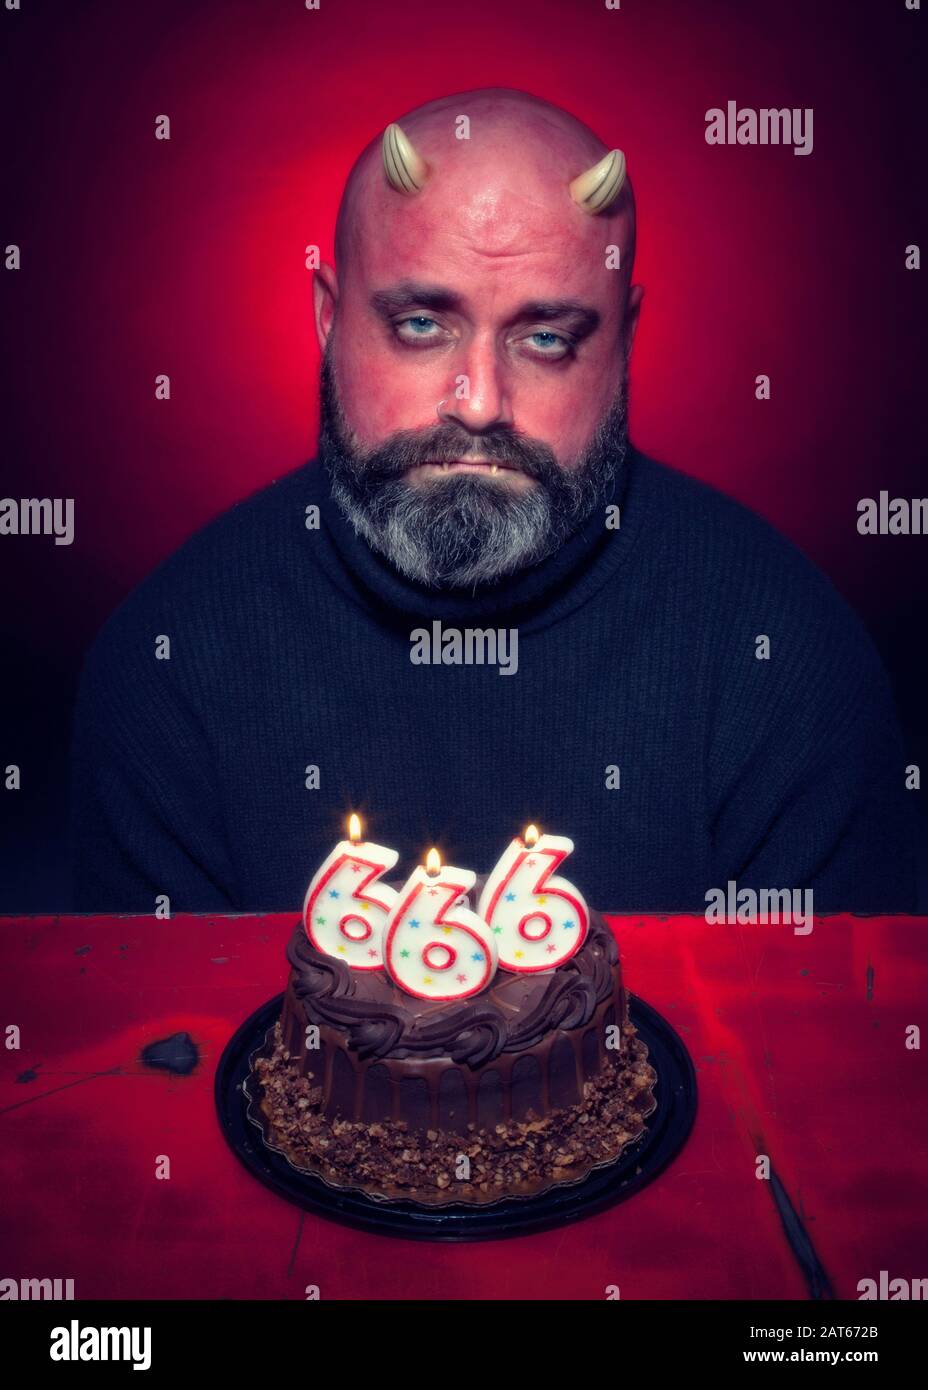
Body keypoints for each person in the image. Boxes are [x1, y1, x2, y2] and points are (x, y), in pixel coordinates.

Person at [68, 87, 916, 913]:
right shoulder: (168, 664)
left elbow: (819, 1041)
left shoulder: (785, 661)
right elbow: (162, 1049)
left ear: (623, 342)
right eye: (421, 326)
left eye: (545, 338)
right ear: (329, 321)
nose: (477, 402)